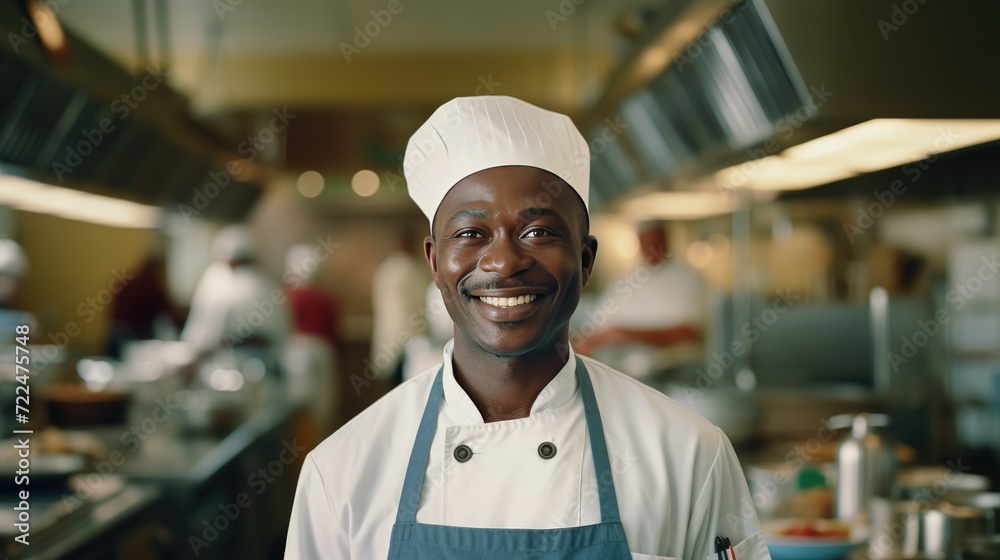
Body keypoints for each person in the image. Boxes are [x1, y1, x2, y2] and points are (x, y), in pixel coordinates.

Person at [285, 96, 770, 559]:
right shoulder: (342, 472)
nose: (503, 261)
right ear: (435, 262)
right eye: (471, 234)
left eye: (537, 232)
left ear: (585, 260)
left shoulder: (689, 456)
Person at [574, 221, 706, 360]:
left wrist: (627, 334)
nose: (651, 245)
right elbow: (593, 330)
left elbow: (687, 333)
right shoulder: (626, 279)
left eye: (655, 238)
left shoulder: (686, 279)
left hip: (666, 369)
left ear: (666, 238)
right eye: (646, 240)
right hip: (616, 367)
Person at [180, 225, 290, 380]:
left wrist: (192, 361)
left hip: (227, 370)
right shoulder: (268, 284)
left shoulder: (222, 283)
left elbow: (207, 334)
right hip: (266, 370)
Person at [283, 243, 342, 435]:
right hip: (321, 352)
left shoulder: (287, 297)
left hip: (295, 353)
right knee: (322, 406)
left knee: (300, 406)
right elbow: (334, 332)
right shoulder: (325, 298)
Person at [370, 227, 430, 386]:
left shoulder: (385, 269)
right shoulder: (411, 270)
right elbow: (422, 305)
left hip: (389, 339)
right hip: (410, 340)